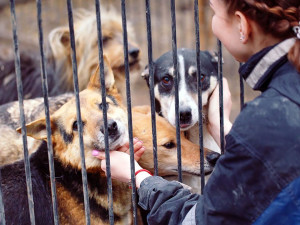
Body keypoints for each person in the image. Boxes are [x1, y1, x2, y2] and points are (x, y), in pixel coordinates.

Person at [92, 0, 300, 224]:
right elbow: (263, 170)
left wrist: (138, 177)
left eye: (214, 12)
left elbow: (202, 220)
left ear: (242, 25)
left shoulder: (264, 118)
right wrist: (219, 124)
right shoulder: (285, 94)